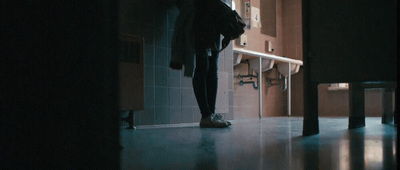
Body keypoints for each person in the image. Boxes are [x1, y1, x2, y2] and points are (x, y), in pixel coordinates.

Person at [192, 0, 231, 128]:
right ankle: (206, 115)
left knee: (211, 68)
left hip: (212, 22)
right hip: (203, 19)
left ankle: (210, 114)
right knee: (204, 67)